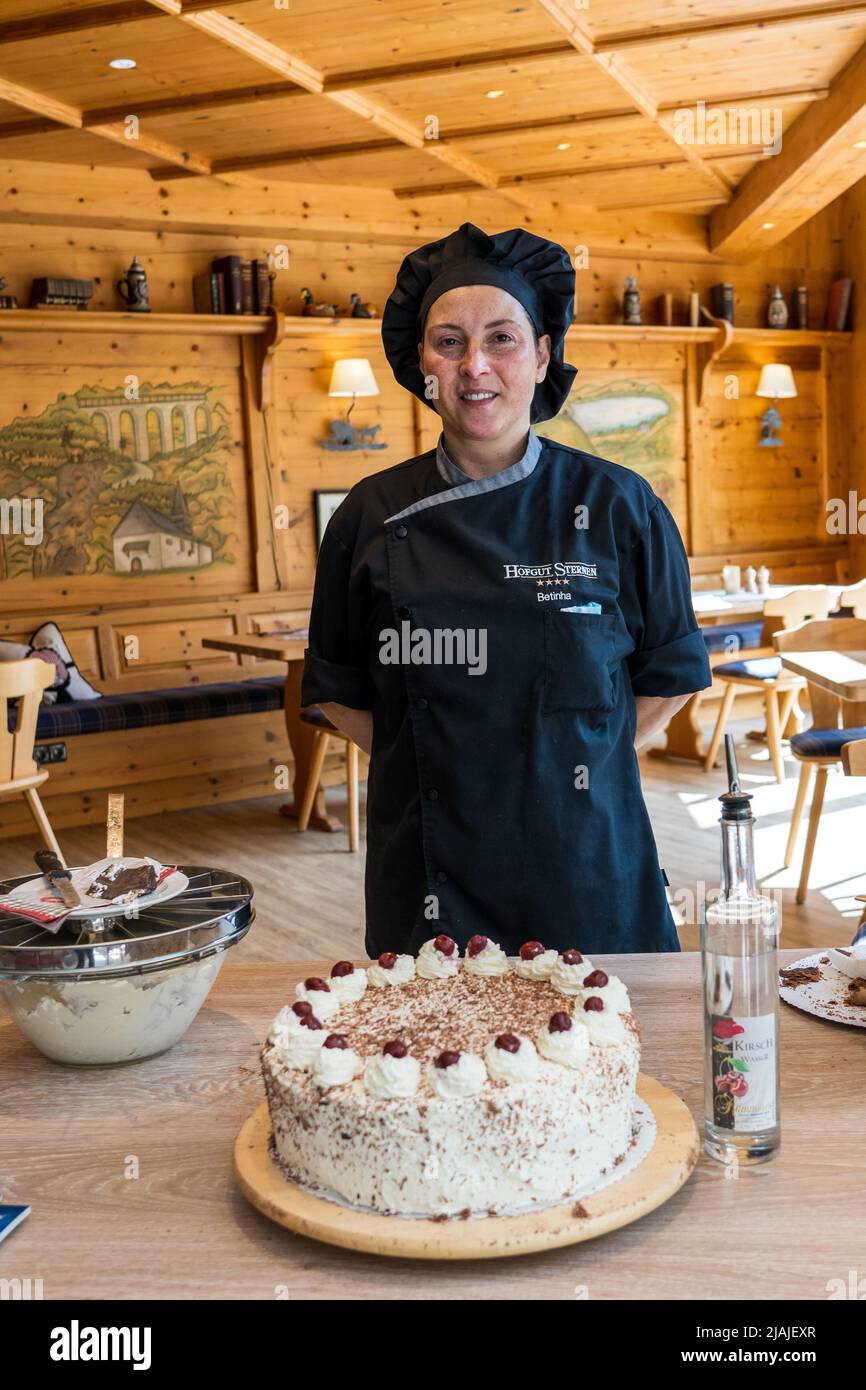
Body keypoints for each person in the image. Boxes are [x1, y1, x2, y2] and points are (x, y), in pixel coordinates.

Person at [301, 222, 712, 957]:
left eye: (501, 338)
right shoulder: (368, 514)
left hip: (587, 867)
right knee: (432, 1070)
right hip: (432, 876)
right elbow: (338, 690)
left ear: (544, 353)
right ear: (421, 361)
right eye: (449, 342)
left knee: (610, 1062)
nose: (473, 366)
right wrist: (436, 764)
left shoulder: (621, 506)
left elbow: (671, 674)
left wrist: (575, 767)